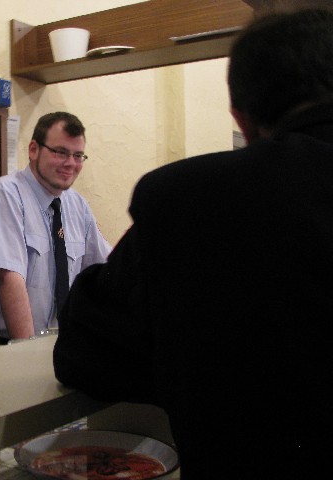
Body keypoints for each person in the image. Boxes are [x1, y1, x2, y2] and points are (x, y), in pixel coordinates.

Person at [53, 7, 333, 479]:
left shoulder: (188, 199)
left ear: (241, 120)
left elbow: (86, 351)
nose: (71, 163)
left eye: (77, 155)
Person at [0, 112, 111, 341]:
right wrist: (27, 353)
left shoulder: (77, 206)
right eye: (61, 152)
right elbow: (9, 279)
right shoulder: (5, 194)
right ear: (34, 150)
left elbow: (104, 272)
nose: (70, 163)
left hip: (47, 342)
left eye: (78, 155)